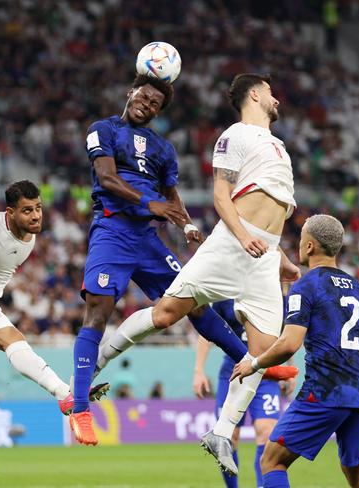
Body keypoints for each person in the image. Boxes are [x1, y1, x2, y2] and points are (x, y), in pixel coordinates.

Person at [92, 73, 300, 473]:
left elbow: (271, 214)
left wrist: (279, 256)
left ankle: (221, 432)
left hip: (262, 256)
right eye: (271, 92)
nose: (277, 99)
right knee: (167, 313)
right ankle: (101, 356)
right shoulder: (235, 135)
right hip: (230, 245)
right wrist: (243, 237)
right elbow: (222, 196)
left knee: (263, 354)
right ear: (255, 94)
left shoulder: (279, 146)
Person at [70, 74, 263, 446]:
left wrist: (188, 225)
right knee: (98, 311)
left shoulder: (163, 149)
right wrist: (148, 203)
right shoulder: (104, 129)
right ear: (131, 93)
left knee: (194, 302)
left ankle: (256, 363)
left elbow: (171, 196)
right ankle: (79, 408)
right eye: (144, 96)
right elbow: (107, 178)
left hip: (147, 240)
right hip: (112, 231)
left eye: (156, 103)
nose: (148, 104)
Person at [0, 181, 109, 478]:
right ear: (10, 213)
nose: (36, 216)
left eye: (38, 208)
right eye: (27, 211)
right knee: (12, 338)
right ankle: (66, 394)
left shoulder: (30, 236)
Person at [231, 214, 359, 488]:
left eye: (300, 240)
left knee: (272, 461)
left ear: (309, 246)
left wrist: (255, 363)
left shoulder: (306, 286)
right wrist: (356, 373)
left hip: (325, 390)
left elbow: (289, 344)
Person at [194, 300, 293, 488]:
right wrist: (198, 371)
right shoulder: (224, 297)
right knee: (229, 439)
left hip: (265, 373)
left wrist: (288, 366)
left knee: (267, 431)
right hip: (233, 373)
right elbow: (205, 332)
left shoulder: (274, 293)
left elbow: (284, 335)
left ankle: (261, 486)